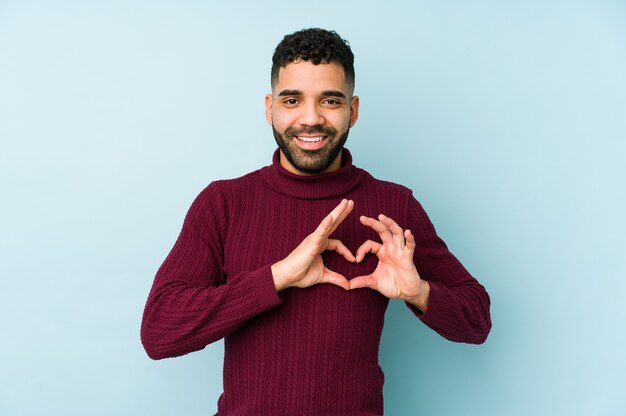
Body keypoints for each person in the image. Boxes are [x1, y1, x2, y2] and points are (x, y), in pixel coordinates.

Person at [141, 28, 491, 415]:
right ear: (269, 108)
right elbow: (159, 331)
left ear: (352, 111)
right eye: (293, 100)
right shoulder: (223, 203)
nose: (311, 119)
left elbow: (477, 319)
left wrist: (418, 292)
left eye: (330, 100)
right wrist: (277, 277)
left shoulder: (395, 205)